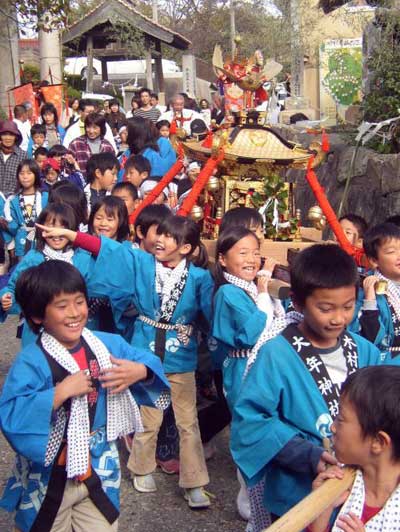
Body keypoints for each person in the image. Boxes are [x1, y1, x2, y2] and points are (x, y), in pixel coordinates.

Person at [36, 215, 214, 509]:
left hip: (181, 354)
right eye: (160, 234)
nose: (159, 240)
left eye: (169, 237)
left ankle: (195, 481)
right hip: (143, 350)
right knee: (148, 415)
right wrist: (71, 233)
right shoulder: (143, 263)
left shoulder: (199, 277)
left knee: (188, 421)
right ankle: (141, 467)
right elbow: (111, 251)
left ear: (186, 249)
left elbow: (210, 314)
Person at [0, 260, 170, 532]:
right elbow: (11, 414)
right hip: (48, 474)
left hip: (98, 465)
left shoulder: (106, 344)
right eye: (62, 305)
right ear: (36, 316)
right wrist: (59, 393)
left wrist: (140, 371)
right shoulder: (32, 361)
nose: (74, 312)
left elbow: (147, 361)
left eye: (79, 302)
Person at [231, 244, 382, 519]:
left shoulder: (366, 351)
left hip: (355, 489)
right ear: (298, 302)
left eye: (348, 306)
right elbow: (250, 420)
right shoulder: (276, 354)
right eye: (326, 308)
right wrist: (308, 455)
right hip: (297, 491)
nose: (339, 318)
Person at [211, 226, 284, 529]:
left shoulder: (248, 288)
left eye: (256, 252)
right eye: (242, 253)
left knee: (265, 429)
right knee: (249, 430)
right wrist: (266, 292)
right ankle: (248, 500)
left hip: (262, 367)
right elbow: (253, 333)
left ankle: (261, 497)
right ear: (223, 259)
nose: (252, 259)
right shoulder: (229, 292)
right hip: (243, 368)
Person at [308, 366, 400, 531]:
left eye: (341, 419)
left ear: (378, 442)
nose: (333, 427)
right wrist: (319, 507)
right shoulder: (338, 485)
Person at [0, 203, 94, 345]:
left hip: (74, 326)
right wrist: (7, 297)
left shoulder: (83, 259)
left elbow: (92, 291)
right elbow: (14, 287)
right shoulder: (34, 257)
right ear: (41, 228)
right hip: (38, 331)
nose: (56, 234)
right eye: (51, 227)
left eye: (63, 228)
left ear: (73, 231)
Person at [350, 222, 400, 357]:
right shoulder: (367, 289)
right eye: (391, 252)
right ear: (373, 260)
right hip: (386, 364)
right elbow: (369, 338)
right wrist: (370, 301)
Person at [3, 159, 48, 259]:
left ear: (36, 175)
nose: (25, 177)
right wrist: (6, 224)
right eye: (21, 173)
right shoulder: (13, 200)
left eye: (29, 173)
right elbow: (13, 226)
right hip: (21, 243)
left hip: (42, 242)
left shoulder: (45, 197)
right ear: (17, 176)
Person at [68, 113, 115, 178]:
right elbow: (68, 168)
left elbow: (112, 169)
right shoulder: (76, 144)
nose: (91, 131)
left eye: (95, 128)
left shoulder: (108, 146)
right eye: (88, 127)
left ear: (101, 128)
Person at [0, 120, 27, 197]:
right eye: (4, 134)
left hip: (14, 197)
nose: (8, 138)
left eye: (11, 135)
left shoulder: (22, 155)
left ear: (16, 137)